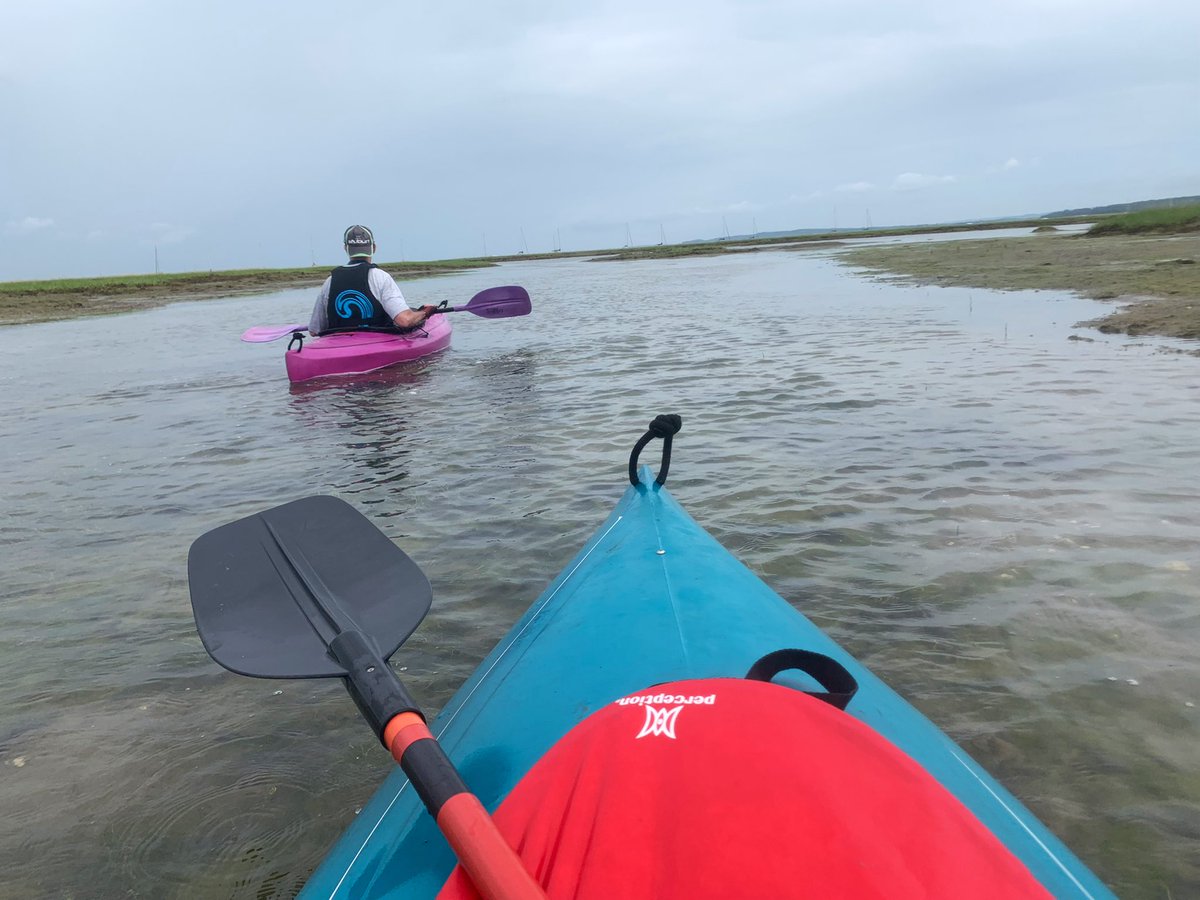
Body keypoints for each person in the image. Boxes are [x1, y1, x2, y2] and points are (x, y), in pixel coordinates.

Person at [308, 225, 436, 335]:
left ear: (346, 249)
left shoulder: (330, 281)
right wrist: (424, 313)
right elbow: (405, 320)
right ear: (373, 248)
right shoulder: (380, 277)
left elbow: (314, 331)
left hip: (337, 346)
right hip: (376, 342)